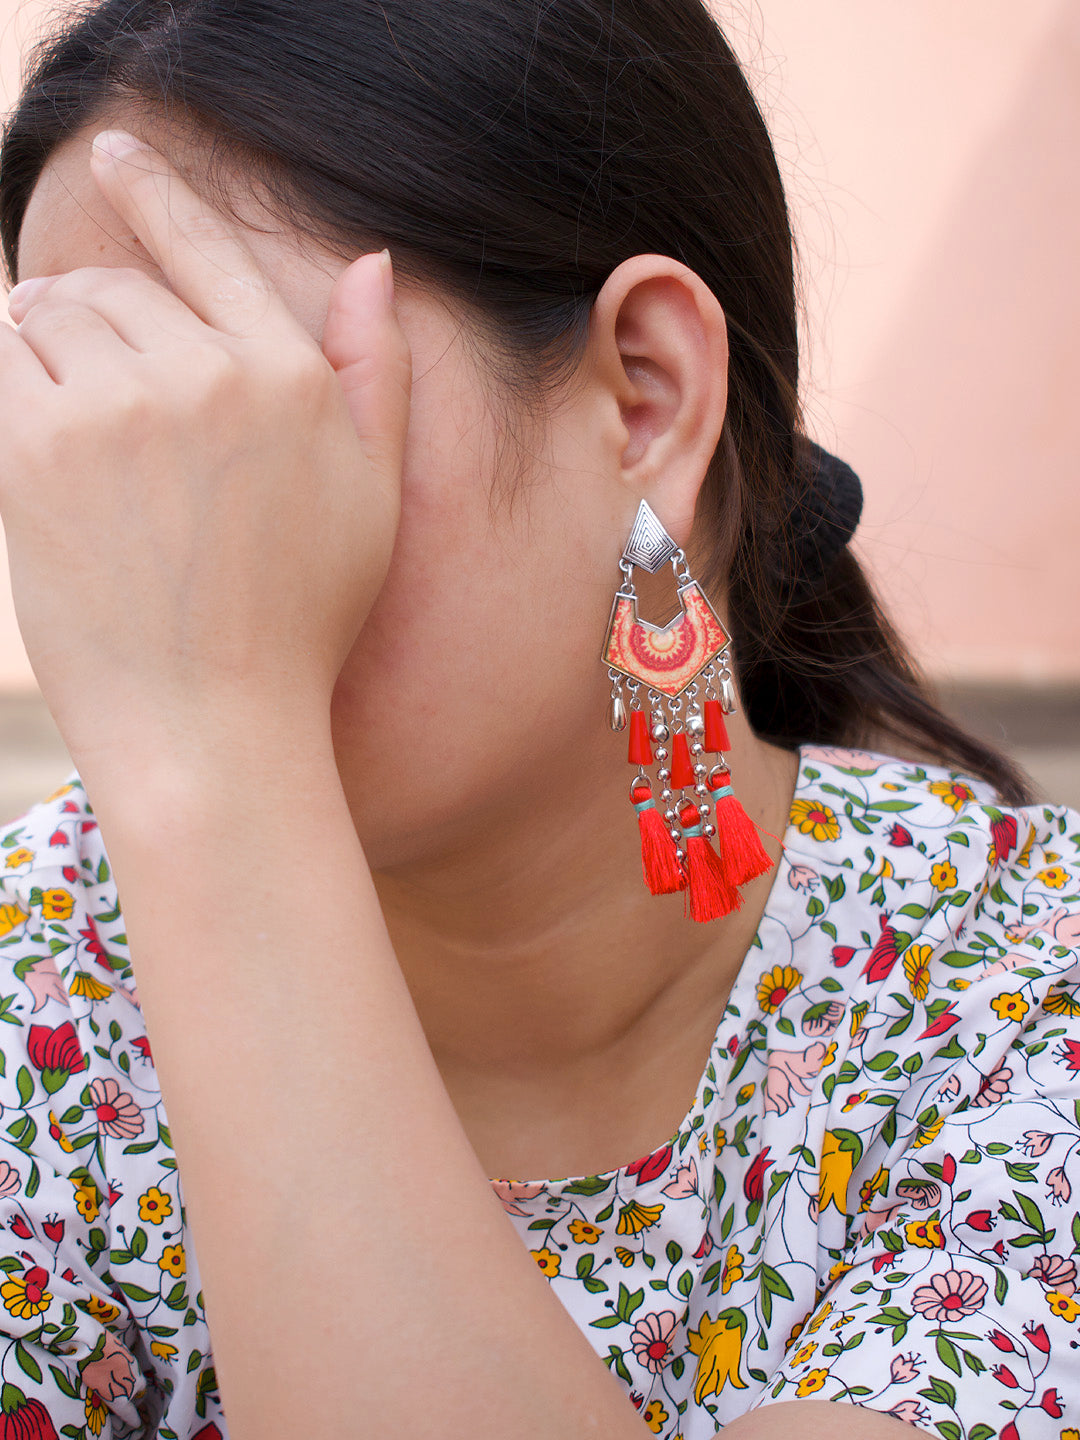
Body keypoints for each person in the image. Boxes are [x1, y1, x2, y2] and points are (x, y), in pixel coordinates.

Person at [0, 1, 1075, 1436]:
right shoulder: (38, 1003)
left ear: (642, 394)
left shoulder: (1022, 1000)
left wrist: (220, 744)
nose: (164, 528)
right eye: (99, 417)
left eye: (259, 410)